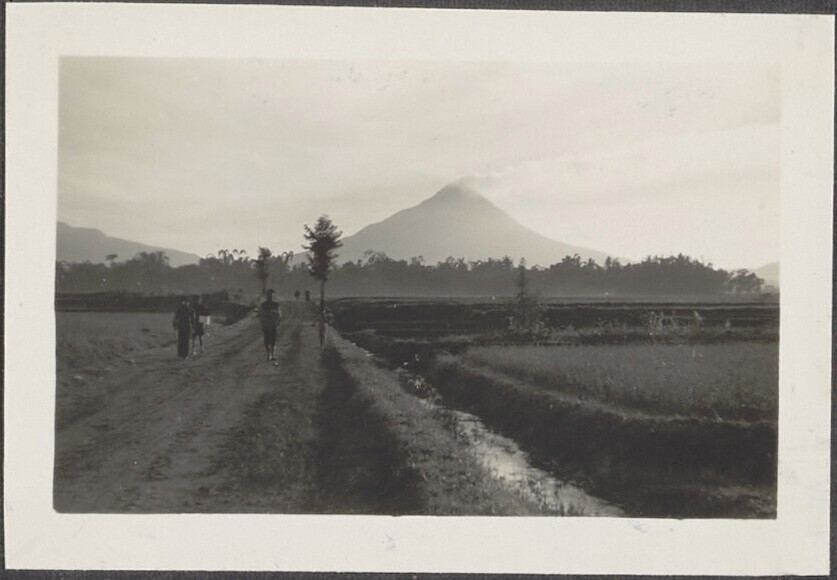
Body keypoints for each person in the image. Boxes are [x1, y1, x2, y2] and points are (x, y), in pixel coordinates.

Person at [258, 289, 283, 361]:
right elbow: (260, 315)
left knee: (273, 340)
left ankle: (273, 354)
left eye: (271, 295)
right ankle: (269, 354)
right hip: (266, 325)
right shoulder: (263, 305)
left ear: (274, 296)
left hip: (273, 324)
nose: (270, 297)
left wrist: (278, 321)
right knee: (266, 340)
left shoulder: (276, 305)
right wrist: (262, 322)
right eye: (269, 295)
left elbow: (279, 314)